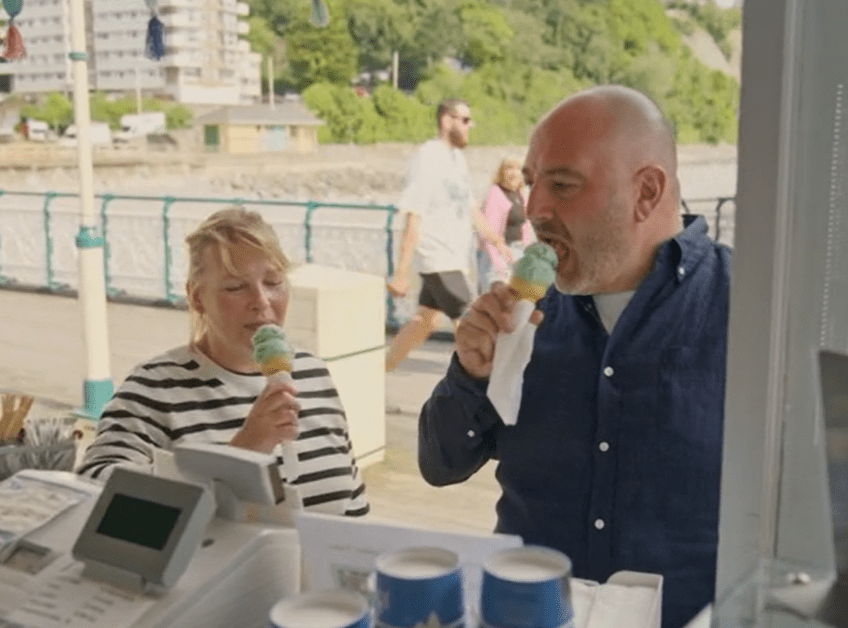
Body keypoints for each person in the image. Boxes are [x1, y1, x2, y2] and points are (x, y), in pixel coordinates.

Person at [418, 85, 730, 628]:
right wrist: (469, 373)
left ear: (647, 192)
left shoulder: (752, 312)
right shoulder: (521, 318)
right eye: (534, 183)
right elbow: (439, 465)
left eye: (562, 185)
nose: (533, 209)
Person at [78, 207, 369, 517]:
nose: (261, 301)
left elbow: (353, 510)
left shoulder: (313, 374)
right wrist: (242, 453)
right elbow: (94, 491)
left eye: (273, 282)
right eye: (235, 287)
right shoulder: (155, 388)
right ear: (197, 298)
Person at [385, 98, 508, 372]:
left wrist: (497, 240)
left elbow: (471, 209)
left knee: (424, 322)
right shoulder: (428, 158)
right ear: (446, 120)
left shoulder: (457, 160)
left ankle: (371, 375)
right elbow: (413, 216)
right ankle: (488, 402)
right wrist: (401, 274)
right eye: (465, 120)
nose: (469, 126)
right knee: (475, 327)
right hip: (438, 259)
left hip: (453, 259)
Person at [476, 156, 533, 294]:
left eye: (518, 169)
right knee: (495, 299)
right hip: (494, 254)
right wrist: (499, 264)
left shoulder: (519, 194)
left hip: (516, 251)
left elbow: (524, 227)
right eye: (509, 168)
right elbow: (488, 234)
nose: (514, 173)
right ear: (501, 172)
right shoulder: (495, 194)